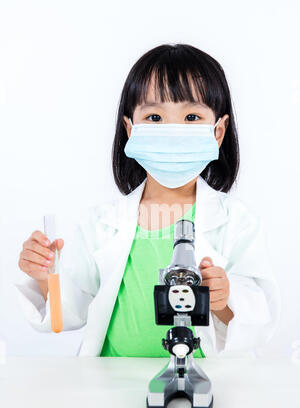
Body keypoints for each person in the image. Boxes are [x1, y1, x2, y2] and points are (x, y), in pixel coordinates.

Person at [15, 43, 281, 357]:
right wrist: (46, 276)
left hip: (200, 382)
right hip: (113, 383)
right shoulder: (102, 223)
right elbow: (68, 313)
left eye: (191, 117)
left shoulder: (236, 221)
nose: (172, 131)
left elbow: (257, 320)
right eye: (154, 117)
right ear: (130, 129)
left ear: (218, 131)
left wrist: (224, 299)